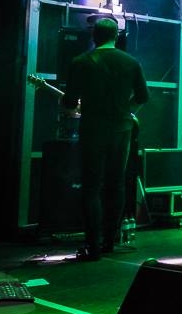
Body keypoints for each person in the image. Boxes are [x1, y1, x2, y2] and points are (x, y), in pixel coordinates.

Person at [61, 16, 149, 262]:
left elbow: (70, 102)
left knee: (91, 187)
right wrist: (126, 111)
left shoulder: (81, 62)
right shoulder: (131, 62)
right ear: (117, 36)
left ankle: (93, 247)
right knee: (116, 185)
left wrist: (72, 105)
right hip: (122, 130)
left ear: (94, 36)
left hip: (93, 130)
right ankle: (110, 241)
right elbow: (143, 96)